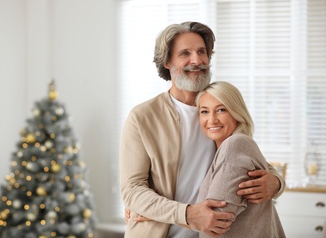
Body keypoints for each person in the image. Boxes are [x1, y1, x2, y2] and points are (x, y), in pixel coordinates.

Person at [119, 21, 285, 237]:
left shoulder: (218, 109)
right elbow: (132, 190)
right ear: (167, 61)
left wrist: (276, 183)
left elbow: (246, 157)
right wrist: (187, 214)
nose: (196, 60)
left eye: (201, 52)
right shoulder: (143, 117)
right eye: (185, 53)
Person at [195, 81, 286, 237]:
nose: (212, 120)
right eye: (204, 112)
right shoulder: (227, 148)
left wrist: (163, 216)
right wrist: (278, 182)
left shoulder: (234, 144)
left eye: (221, 110)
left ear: (236, 113)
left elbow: (214, 219)